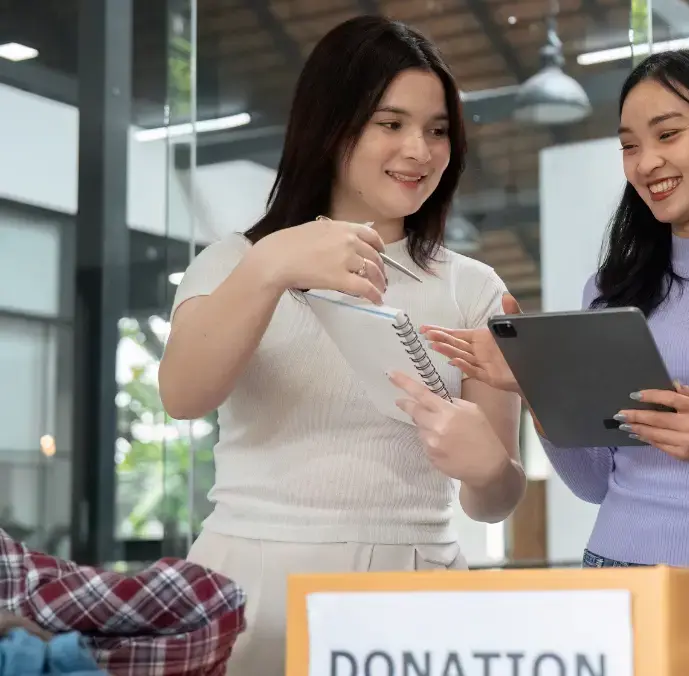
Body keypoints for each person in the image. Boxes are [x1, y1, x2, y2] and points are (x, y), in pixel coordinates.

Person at [421, 48, 689, 622]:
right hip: (613, 575)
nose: (646, 162)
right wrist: (537, 383)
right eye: (629, 145)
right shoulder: (608, 291)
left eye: (668, 135)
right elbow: (594, 483)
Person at [158, 17, 525, 674]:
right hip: (253, 583)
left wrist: (489, 469)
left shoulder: (475, 289)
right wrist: (272, 265)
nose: (420, 149)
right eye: (391, 123)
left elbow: (493, 499)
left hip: (420, 591)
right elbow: (183, 394)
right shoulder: (234, 262)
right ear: (331, 125)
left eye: (438, 130)